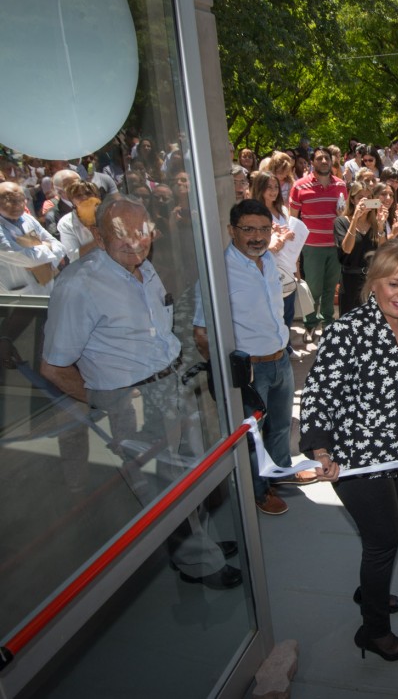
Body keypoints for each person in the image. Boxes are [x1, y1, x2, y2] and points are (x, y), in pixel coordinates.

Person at [42, 196, 238, 588]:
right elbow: (54, 367)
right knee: (163, 490)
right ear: (98, 236)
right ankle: (199, 564)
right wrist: (105, 401)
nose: (135, 242)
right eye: (120, 234)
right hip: (129, 399)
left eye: (141, 231)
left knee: (186, 476)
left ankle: (197, 544)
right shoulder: (80, 284)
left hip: (170, 388)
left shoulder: (145, 270)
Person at [298, 241, 398, 661]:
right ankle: (374, 632)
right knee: (384, 539)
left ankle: (371, 590)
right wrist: (319, 448)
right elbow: (318, 393)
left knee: (388, 527)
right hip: (357, 454)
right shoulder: (348, 330)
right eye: (393, 283)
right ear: (373, 283)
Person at [194, 199, 316, 517]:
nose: (257, 236)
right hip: (249, 371)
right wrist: (226, 375)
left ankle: (280, 474)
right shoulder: (218, 273)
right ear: (231, 230)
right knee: (251, 438)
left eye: (263, 229)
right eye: (248, 229)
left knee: (278, 428)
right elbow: (201, 332)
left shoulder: (269, 262)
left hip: (280, 361)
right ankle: (258, 492)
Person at [289, 147, 347, 339]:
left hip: (335, 245)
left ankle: (329, 323)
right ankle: (310, 324)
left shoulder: (340, 185)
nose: (324, 161)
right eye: (319, 158)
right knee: (313, 288)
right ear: (312, 162)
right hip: (312, 246)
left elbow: (345, 213)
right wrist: (294, 250)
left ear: (332, 162)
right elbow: (293, 219)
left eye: (327, 158)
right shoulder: (299, 186)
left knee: (331, 287)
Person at [252, 170, 308, 342]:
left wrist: (297, 271)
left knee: (288, 311)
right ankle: (276, 347)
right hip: (269, 269)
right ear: (259, 188)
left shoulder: (282, 210)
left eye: (276, 187)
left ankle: (286, 345)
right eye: (269, 187)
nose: (273, 191)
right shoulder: (256, 213)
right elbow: (267, 246)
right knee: (274, 312)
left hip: (288, 267)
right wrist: (282, 237)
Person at [334, 184, 383, 314]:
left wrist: (381, 227)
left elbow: (383, 252)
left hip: (371, 281)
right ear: (352, 200)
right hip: (350, 280)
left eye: (369, 197)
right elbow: (347, 249)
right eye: (361, 197)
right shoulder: (341, 222)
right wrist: (355, 218)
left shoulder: (375, 223)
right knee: (349, 325)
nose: (365, 201)